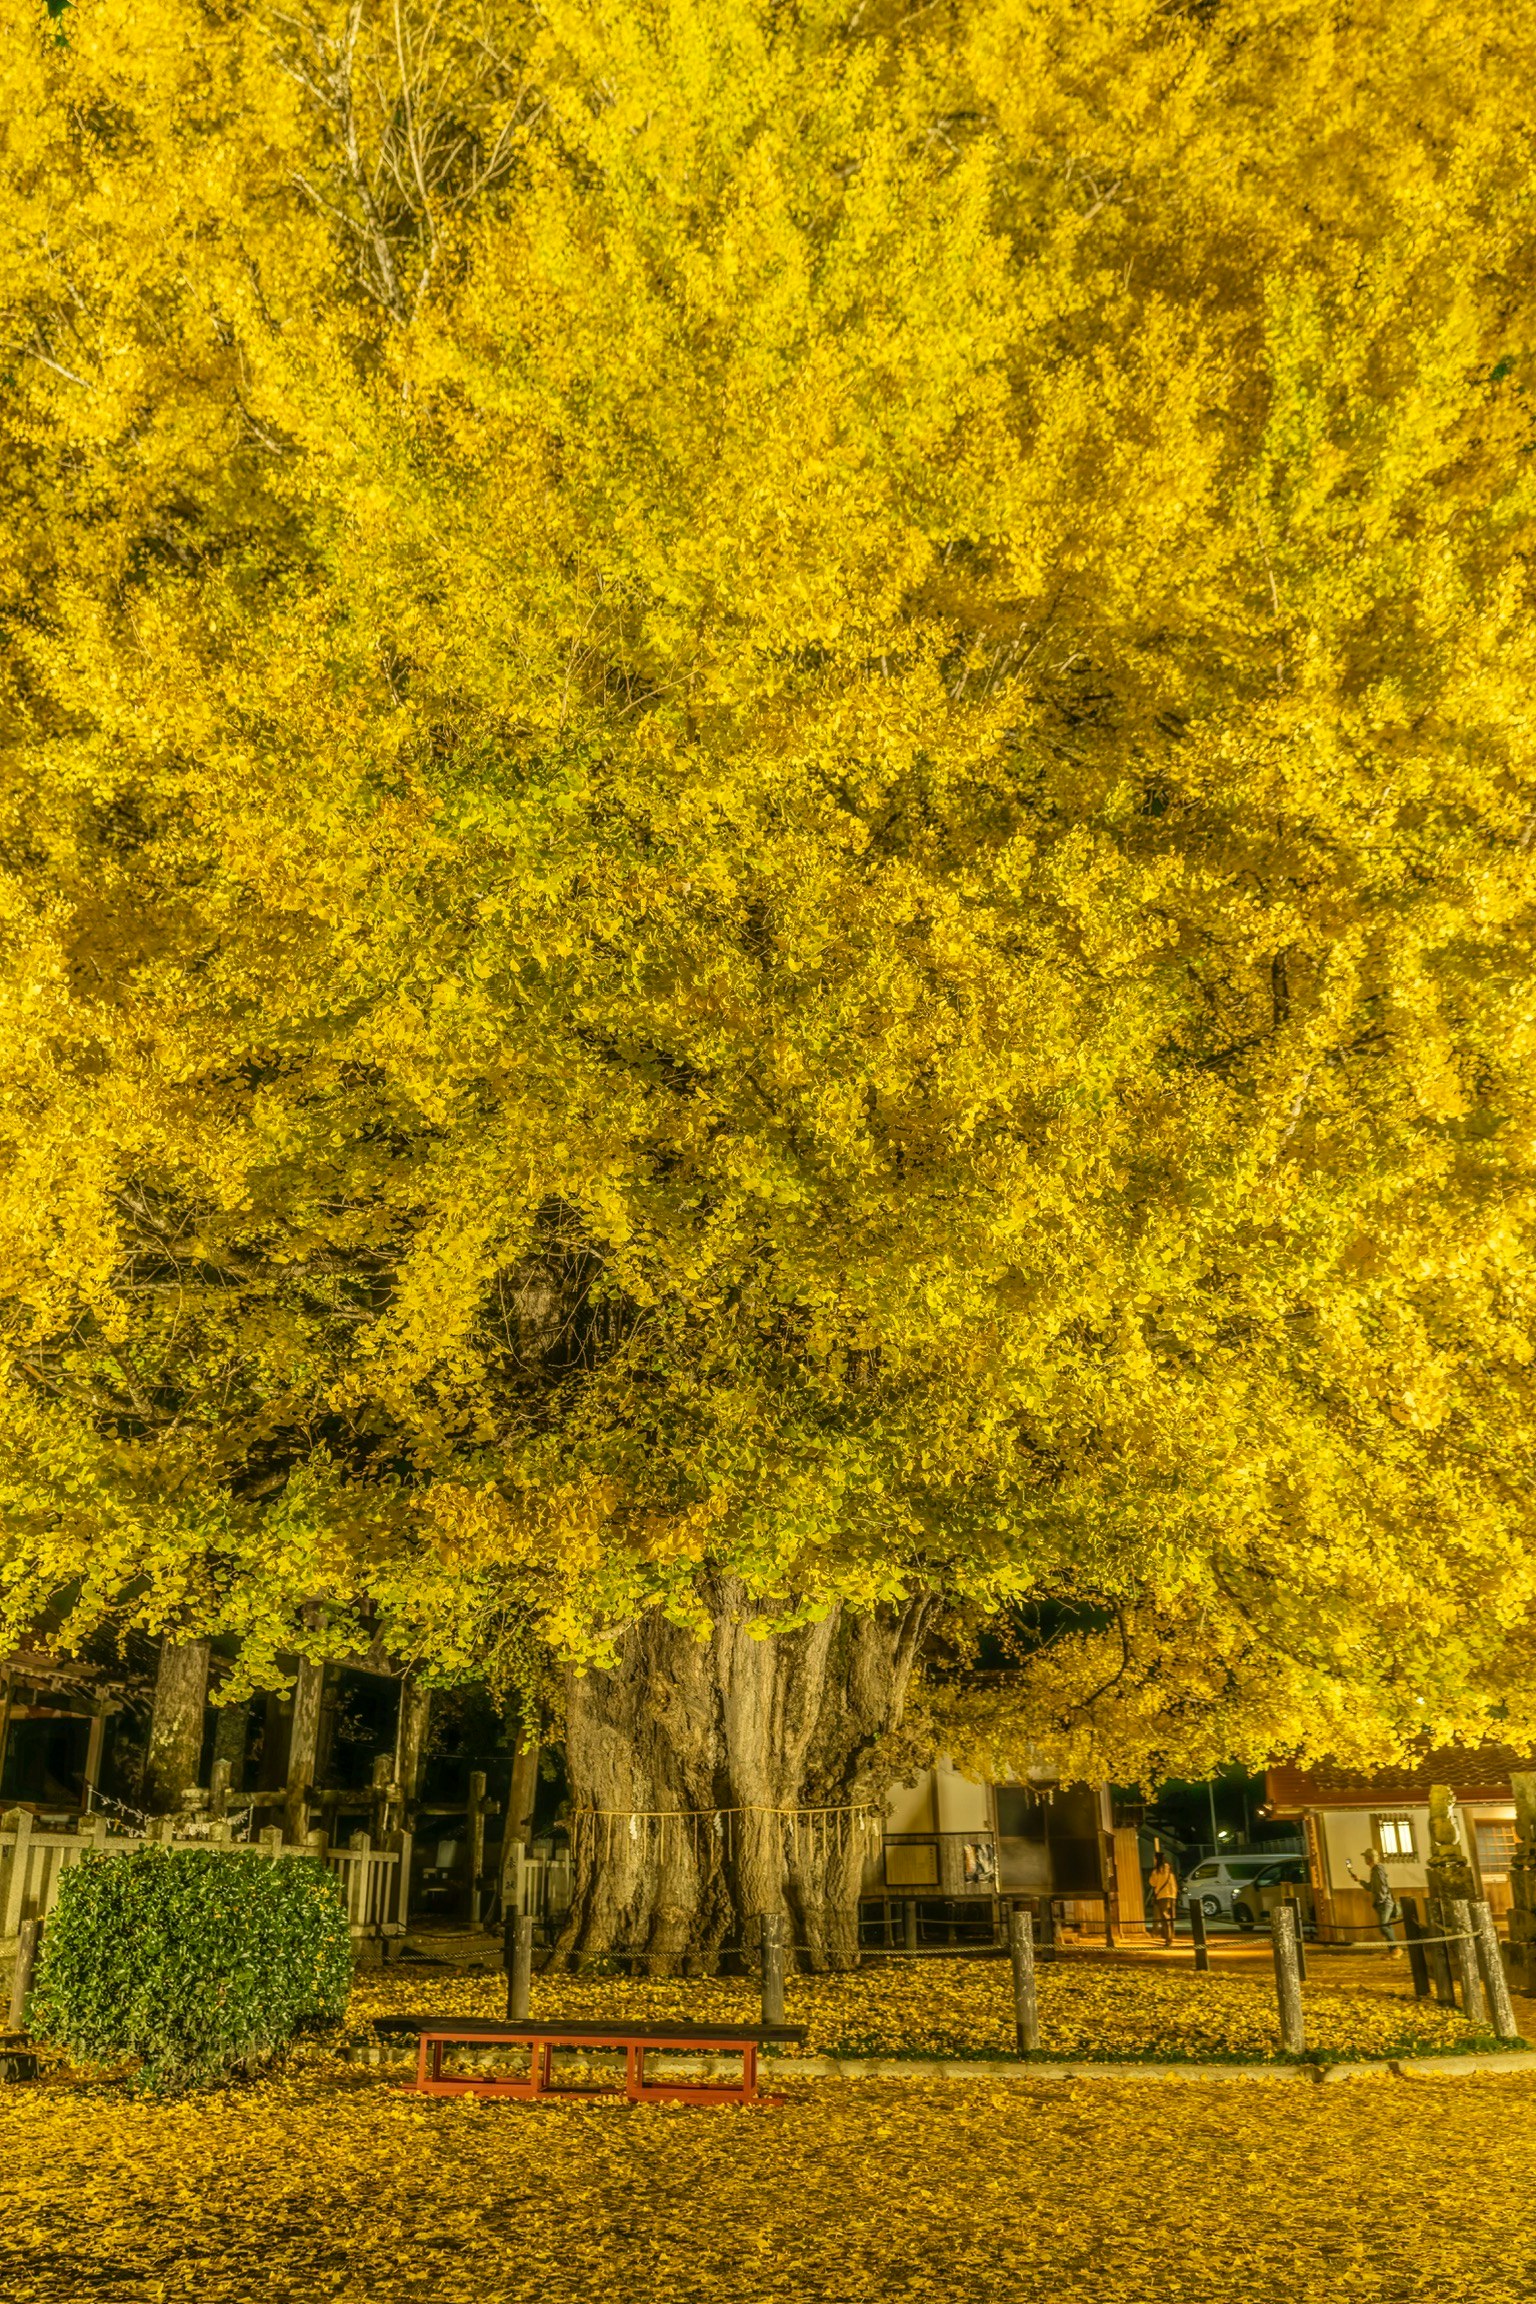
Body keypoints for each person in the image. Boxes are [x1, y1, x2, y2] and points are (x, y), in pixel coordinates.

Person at [1345, 1847, 1402, 1949]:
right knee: (1386, 1926)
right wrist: (1359, 1880)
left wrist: (1380, 1900)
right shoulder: (1375, 1870)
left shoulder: (1377, 1870)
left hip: (1384, 1903)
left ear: (1369, 1858)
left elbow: (1381, 1887)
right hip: (1383, 1902)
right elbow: (1371, 1887)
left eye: (1366, 1857)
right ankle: (1394, 1950)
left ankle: (1395, 1949)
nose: (1364, 1860)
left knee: (1384, 1926)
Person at [1148, 1852, 1180, 1946]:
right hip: (1172, 1896)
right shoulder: (1170, 1870)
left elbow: (1152, 1883)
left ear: (1156, 1859)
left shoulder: (1157, 1871)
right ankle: (1171, 1936)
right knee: (1171, 1917)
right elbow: (1174, 1884)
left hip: (1162, 1896)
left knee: (1165, 1918)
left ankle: (1168, 1939)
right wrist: (1174, 1895)